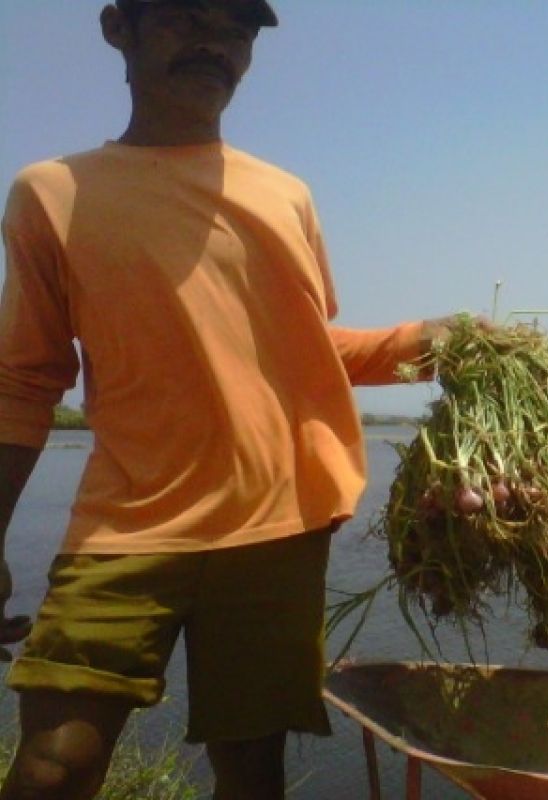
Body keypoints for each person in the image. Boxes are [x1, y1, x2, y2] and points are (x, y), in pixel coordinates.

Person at [0, 1, 460, 797]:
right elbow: (25, 379)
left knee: (252, 769)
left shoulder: (285, 195)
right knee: (53, 765)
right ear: (118, 28)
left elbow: (303, 349)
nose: (216, 41)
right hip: (124, 524)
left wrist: (430, 340)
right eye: (184, 17)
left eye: (238, 29)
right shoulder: (53, 192)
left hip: (274, 524)